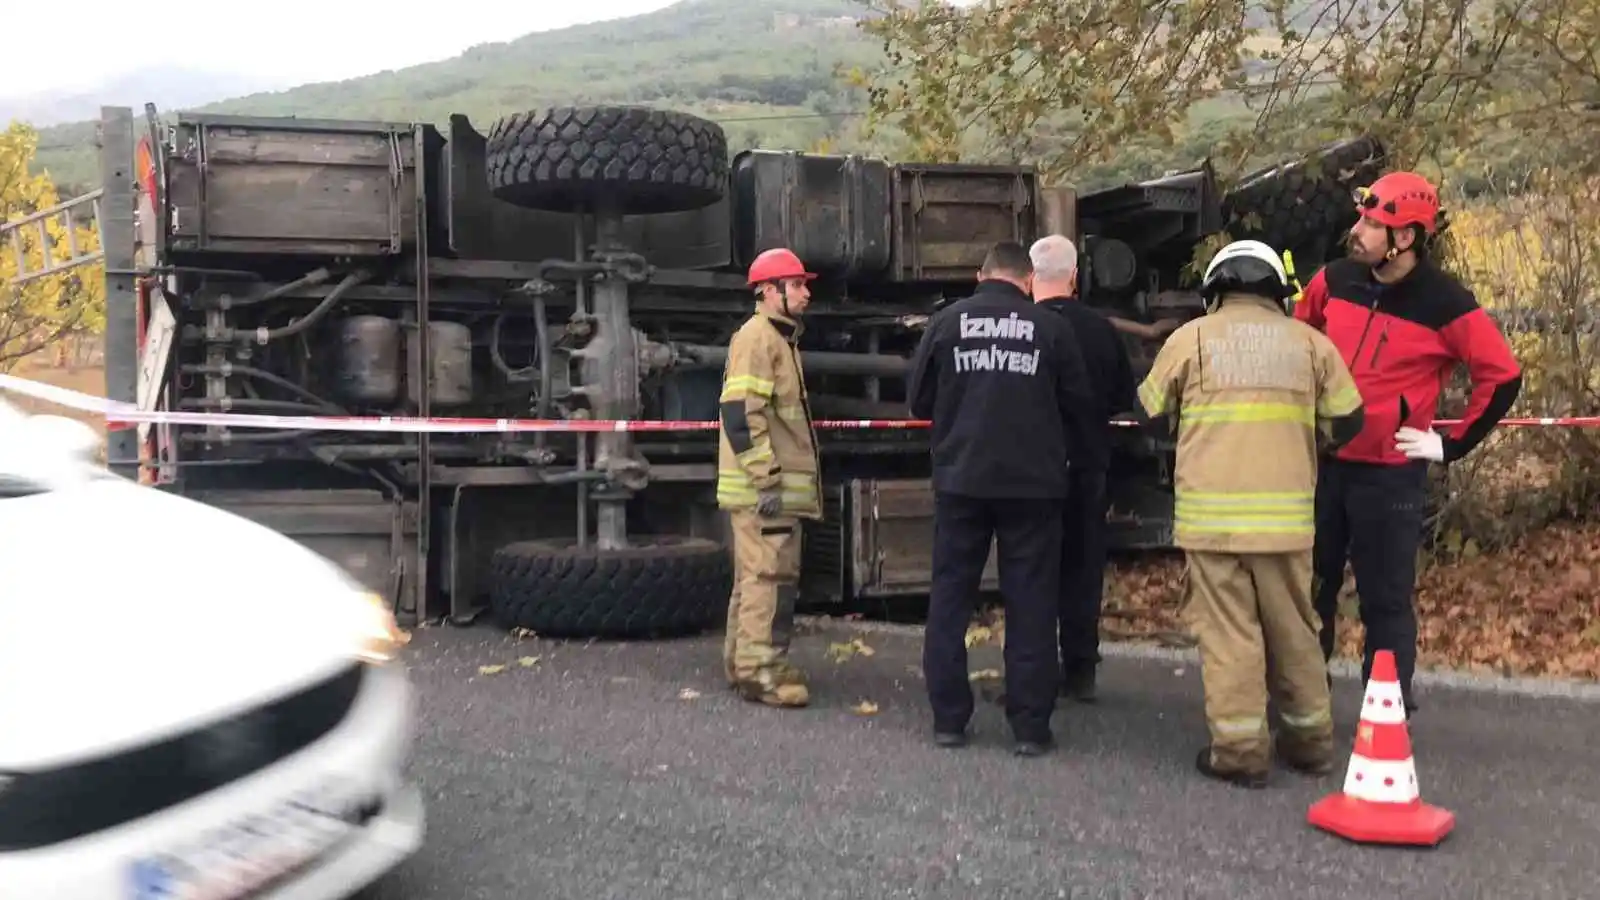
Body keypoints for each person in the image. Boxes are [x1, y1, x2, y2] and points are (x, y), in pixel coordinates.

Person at [1136, 239, 1367, 788]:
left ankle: (1240, 751)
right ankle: (1310, 744)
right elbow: (1349, 422)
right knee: (1295, 630)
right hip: (1286, 524)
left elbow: (1147, 413)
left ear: (1214, 290)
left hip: (1211, 525)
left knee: (1229, 635)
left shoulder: (1189, 340)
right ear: (1278, 293)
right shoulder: (1311, 345)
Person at [1293, 171, 1522, 713]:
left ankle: (1386, 714)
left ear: (1407, 238)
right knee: (1309, 593)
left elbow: (1502, 375)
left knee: (1385, 603)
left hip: (1389, 475)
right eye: (1363, 219)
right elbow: (1300, 336)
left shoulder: (1445, 302)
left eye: (1374, 224)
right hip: (1324, 464)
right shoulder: (1334, 279)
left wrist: (1451, 446)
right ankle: (1304, 705)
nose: (1359, 231)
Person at [906, 241, 1096, 756]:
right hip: (1033, 487)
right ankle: (1030, 728)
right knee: (1031, 601)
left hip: (961, 480)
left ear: (979, 274)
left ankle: (949, 719)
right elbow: (1080, 408)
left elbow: (918, 399)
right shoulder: (1052, 329)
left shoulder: (947, 324)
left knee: (950, 598)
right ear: (1030, 280)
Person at [1028, 234, 1137, 702]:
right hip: (1088, 466)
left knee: (1029, 569)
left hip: (1031, 468)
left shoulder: (1022, 326)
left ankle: (1031, 670)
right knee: (1083, 569)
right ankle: (1080, 670)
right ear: (1076, 276)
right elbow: (1120, 399)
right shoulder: (1101, 329)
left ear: (1030, 277)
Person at [716, 247, 824, 709]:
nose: (806, 292)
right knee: (768, 578)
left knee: (755, 579)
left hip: (765, 489)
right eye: (797, 284)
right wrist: (768, 480)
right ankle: (761, 673)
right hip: (765, 492)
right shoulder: (759, 339)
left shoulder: (777, 339)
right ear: (768, 291)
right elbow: (741, 415)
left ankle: (745, 665)